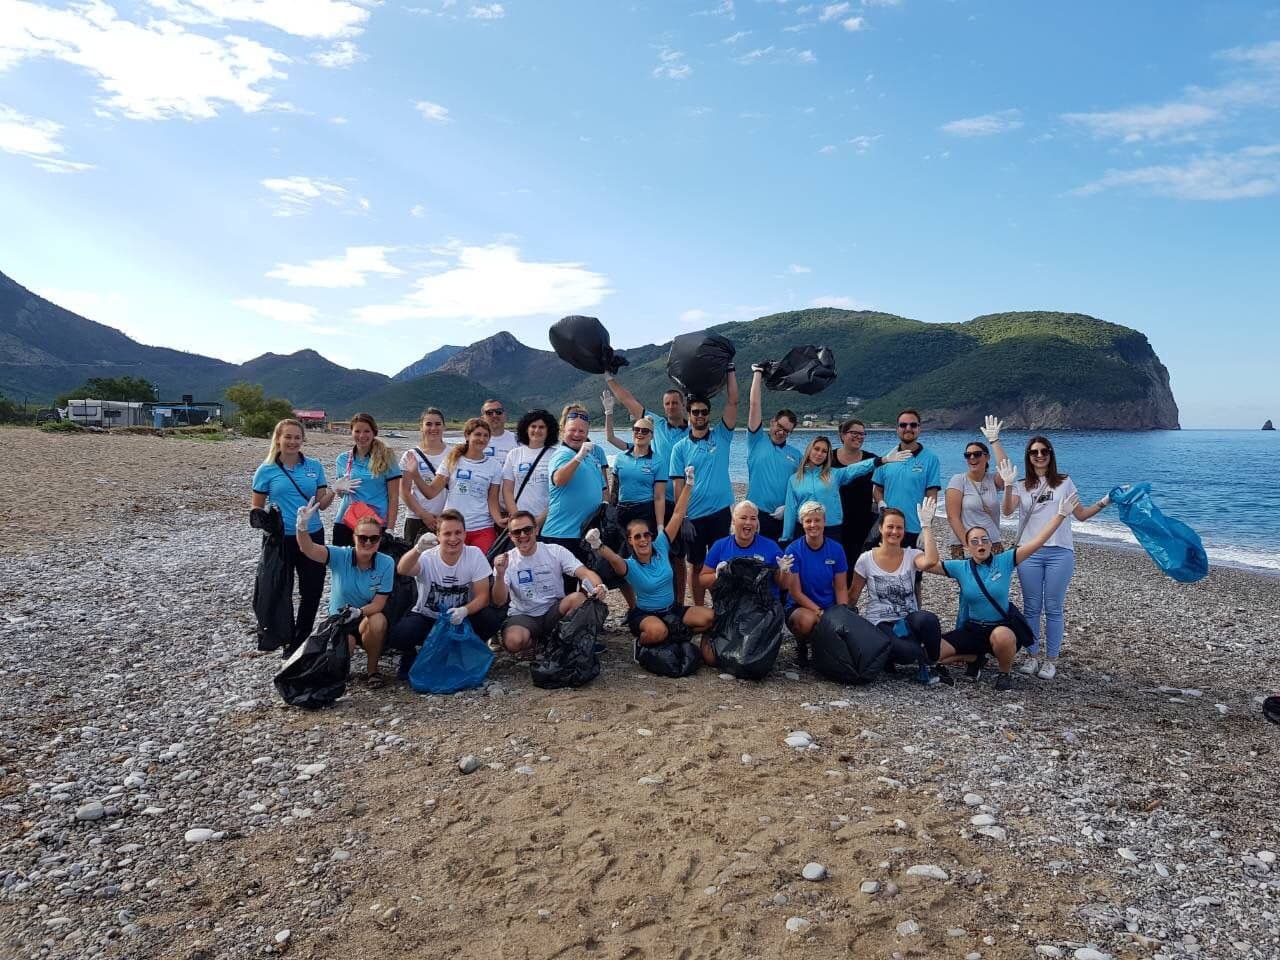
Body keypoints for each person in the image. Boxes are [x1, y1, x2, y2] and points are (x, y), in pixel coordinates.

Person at [922, 480, 1081, 692]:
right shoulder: (960, 567)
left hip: (1001, 628)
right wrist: (926, 527)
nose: (980, 544)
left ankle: (1004, 672)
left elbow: (1039, 540)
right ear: (968, 547)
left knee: (1002, 637)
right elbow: (930, 563)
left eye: (984, 540)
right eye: (975, 541)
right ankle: (976, 656)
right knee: (931, 653)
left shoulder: (1005, 560)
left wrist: (1060, 515)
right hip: (974, 629)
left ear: (990, 543)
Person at [1002, 436, 1112, 680]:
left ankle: (1051, 660)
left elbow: (1081, 515)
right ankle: (1032, 656)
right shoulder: (1023, 485)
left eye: (1044, 451)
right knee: (1031, 606)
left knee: (1053, 608)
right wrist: (1009, 485)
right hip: (1029, 551)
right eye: (1034, 452)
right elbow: (1007, 511)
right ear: (1028, 457)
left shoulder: (1064, 482)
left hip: (1060, 552)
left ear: (1051, 455)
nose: (1039, 455)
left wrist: (1106, 501)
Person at [591, 466, 714, 652]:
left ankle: (671, 634)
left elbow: (678, 514)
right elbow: (614, 559)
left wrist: (688, 484)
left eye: (646, 535)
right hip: (645, 615)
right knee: (658, 632)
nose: (643, 540)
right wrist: (597, 545)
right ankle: (641, 644)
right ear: (630, 541)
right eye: (637, 537)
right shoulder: (630, 565)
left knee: (710, 618)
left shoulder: (661, 545)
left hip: (672, 611)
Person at [250, 418, 336, 651]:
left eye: (297, 437)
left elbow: (323, 503)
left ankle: (301, 638)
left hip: (311, 534)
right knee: (279, 589)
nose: (292, 442)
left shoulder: (314, 467)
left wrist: (336, 490)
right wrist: (269, 522)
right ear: (278, 439)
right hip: (281, 539)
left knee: (312, 589)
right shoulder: (266, 470)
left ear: (302, 440)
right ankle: (282, 635)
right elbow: (256, 509)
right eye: (287, 437)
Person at [603, 374, 691, 601]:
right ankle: (648, 602)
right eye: (667, 403)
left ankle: (679, 603)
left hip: (681, 501)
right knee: (652, 553)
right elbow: (628, 400)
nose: (671, 407)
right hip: (655, 502)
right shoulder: (655, 424)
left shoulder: (692, 431)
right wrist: (609, 378)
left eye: (675, 403)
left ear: (683, 405)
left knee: (678, 556)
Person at [388, 509, 502, 679]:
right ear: (438, 535)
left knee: (490, 619)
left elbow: (483, 597)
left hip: (461, 617)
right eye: (447, 533)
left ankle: (466, 647)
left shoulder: (474, 555)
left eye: (458, 533)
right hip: (430, 616)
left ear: (465, 534)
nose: (453, 539)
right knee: (401, 634)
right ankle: (414, 653)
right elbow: (402, 569)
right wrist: (417, 549)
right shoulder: (427, 556)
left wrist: (464, 610)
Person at [293, 502, 395, 687]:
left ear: (380, 540)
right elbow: (308, 549)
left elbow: (379, 603)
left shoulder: (386, 562)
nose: (368, 543)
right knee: (343, 652)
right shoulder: (340, 555)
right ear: (354, 537)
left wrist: (358, 612)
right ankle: (341, 669)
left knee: (378, 620)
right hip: (340, 619)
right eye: (363, 538)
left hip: (364, 616)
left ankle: (373, 670)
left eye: (374, 538)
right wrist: (302, 527)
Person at [849, 501, 948, 686]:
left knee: (929, 620)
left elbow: (932, 561)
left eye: (899, 528)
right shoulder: (866, 559)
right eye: (890, 527)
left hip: (908, 617)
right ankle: (899, 655)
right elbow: (853, 595)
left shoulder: (911, 555)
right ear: (880, 528)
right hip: (880, 621)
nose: (894, 532)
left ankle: (929, 660)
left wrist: (926, 526)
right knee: (907, 653)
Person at [491, 510, 608, 655]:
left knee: (578, 599)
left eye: (527, 530)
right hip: (524, 615)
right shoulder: (506, 560)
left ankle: (561, 640)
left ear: (536, 530)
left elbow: (584, 572)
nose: (522, 535)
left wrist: (599, 587)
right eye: (517, 532)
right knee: (513, 642)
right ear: (510, 536)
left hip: (554, 611)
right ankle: (546, 642)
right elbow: (498, 600)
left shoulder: (554, 551)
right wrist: (500, 575)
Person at [669, 370, 739, 606]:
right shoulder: (679, 448)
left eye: (704, 412)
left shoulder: (722, 437)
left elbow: (733, 402)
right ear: (688, 415)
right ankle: (699, 608)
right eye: (695, 412)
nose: (699, 415)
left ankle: (721, 606)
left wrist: (730, 370)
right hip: (694, 517)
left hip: (720, 513)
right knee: (697, 565)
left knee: (720, 563)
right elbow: (678, 485)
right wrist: (683, 518)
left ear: (709, 414)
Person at [782, 436, 910, 542]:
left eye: (824, 451)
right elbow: (790, 509)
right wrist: (786, 537)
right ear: (809, 450)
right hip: (805, 529)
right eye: (816, 449)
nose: (819, 454)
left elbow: (856, 469)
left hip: (831, 529)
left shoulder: (834, 475)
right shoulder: (795, 479)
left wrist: (883, 460)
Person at [541, 404, 608, 589]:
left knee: (585, 585)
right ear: (563, 430)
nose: (577, 434)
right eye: (572, 430)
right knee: (563, 589)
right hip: (562, 535)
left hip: (582, 534)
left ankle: (580, 617)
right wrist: (578, 457)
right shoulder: (562, 455)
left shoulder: (590, 457)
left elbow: (602, 487)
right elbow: (559, 479)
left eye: (582, 430)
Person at [416, 418, 505, 552]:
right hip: (452, 527)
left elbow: (492, 499)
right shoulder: (453, 460)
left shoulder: (495, 466)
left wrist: (499, 520)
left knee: (481, 569)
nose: (482, 439)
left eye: (486, 435)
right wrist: (415, 475)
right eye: (478, 434)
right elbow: (431, 492)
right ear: (467, 436)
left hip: (482, 527)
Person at [782, 501, 849, 665]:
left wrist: (843, 614)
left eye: (817, 520)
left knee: (846, 624)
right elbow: (795, 592)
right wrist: (819, 613)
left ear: (824, 521)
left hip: (828, 605)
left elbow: (841, 587)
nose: (813, 525)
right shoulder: (793, 550)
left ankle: (823, 647)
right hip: (800, 607)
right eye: (808, 521)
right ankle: (802, 645)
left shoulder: (836, 549)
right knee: (806, 621)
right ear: (802, 523)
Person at [871, 409, 942, 549]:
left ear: (919, 429)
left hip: (915, 528)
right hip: (889, 529)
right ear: (897, 429)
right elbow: (877, 489)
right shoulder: (886, 457)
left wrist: (926, 528)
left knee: (914, 570)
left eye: (913, 425)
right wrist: (881, 503)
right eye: (903, 425)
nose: (908, 428)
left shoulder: (931, 459)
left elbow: (931, 496)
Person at [746, 364, 801, 542]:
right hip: (755, 514)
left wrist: (789, 507)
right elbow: (754, 405)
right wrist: (757, 373)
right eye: (780, 426)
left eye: (787, 430)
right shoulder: (756, 440)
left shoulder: (797, 455)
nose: (781, 432)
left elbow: (801, 487)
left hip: (783, 516)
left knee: (781, 563)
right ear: (772, 422)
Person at [945, 417, 1010, 560]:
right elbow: (952, 517)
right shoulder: (958, 480)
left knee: (995, 580)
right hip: (964, 544)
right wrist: (968, 544)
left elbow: (1007, 472)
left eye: (977, 454)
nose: (972, 458)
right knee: (968, 581)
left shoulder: (992, 480)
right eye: (968, 455)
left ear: (987, 457)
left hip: (991, 541)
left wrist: (994, 441)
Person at [333, 413, 401, 547]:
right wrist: (338, 489)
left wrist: (390, 528)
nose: (362, 436)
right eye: (357, 431)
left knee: (371, 566)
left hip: (375, 523)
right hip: (346, 520)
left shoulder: (386, 458)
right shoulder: (343, 459)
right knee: (344, 564)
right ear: (351, 432)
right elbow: (342, 494)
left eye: (366, 431)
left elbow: (394, 497)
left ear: (374, 432)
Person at [604, 412, 666, 537]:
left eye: (645, 431)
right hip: (622, 511)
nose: (640, 433)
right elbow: (615, 489)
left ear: (652, 436)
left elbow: (659, 497)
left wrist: (660, 527)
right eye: (636, 429)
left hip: (644, 510)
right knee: (621, 550)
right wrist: (610, 512)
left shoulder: (658, 461)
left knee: (642, 550)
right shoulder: (620, 458)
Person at [830, 417, 880, 564]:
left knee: (854, 564)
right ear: (843, 435)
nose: (859, 436)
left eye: (862, 434)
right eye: (854, 433)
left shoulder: (871, 459)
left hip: (860, 522)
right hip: (833, 521)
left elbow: (886, 482)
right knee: (832, 563)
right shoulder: (828, 458)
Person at [501, 409, 558, 528]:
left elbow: (559, 494)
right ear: (526, 428)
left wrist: (539, 520)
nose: (537, 430)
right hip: (520, 521)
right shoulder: (514, 454)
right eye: (533, 426)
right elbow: (507, 490)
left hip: (549, 521)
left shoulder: (556, 455)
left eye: (542, 427)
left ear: (549, 431)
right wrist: (517, 517)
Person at [400, 407, 448, 544]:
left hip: (444, 519)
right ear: (421, 427)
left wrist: (446, 515)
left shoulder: (453, 454)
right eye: (428, 424)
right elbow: (404, 491)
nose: (433, 428)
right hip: (415, 517)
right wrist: (422, 514)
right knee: (413, 562)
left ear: (444, 426)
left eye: (438, 424)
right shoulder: (411, 455)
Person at [481, 399, 517, 463]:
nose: (494, 415)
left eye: (498, 411)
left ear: (505, 415)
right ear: (483, 418)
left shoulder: (518, 440)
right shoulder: (475, 441)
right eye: (489, 413)